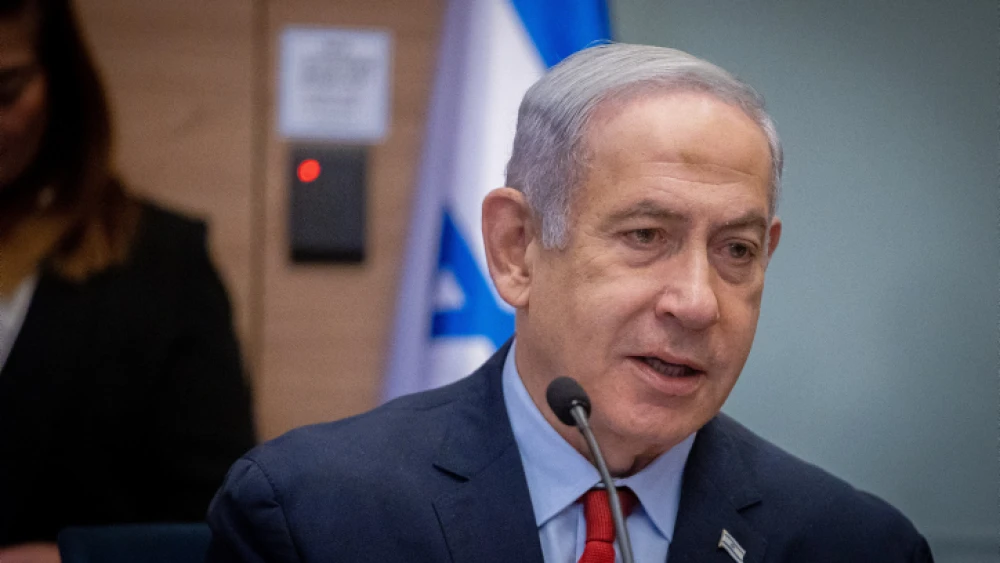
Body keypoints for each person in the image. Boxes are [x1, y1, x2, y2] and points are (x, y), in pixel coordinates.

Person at [206, 44, 933, 562]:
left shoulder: (858, 543)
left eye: (736, 250)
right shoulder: (311, 515)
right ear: (517, 247)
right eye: (646, 235)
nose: (697, 302)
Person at [0, 0, 256, 559]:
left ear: (61, 87)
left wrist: (72, 558)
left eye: (5, 90)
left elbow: (223, 525)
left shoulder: (164, 265)